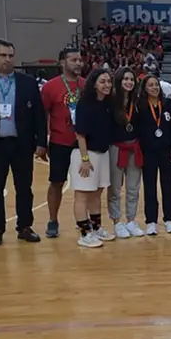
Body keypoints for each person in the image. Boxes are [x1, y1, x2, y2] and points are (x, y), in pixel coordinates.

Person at [0, 39, 47, 247]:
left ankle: (24, 226)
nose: (7, 59)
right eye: (3, 55)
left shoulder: (27, 82)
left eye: (10, 55)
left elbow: (39, 115)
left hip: (21, 143)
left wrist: (41, 141)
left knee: (24, 188)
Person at [40, 47, 85, 238]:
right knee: (57, 182)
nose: (78, 63)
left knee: (84, 184)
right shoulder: (50, 87)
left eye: (80, 60)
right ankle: (53, 220)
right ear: (62, 63)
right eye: (73, 60)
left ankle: (83, 218)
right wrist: (42, 141)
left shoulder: (87, 85)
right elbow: (43, 116)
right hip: (60, 141)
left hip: (82, 142)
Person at [71, 68, 115, 247]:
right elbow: (80, 134)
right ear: (94, 84)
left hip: (102, 153)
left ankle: (96, 228)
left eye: (108, 81)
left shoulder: (107, 104)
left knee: (97, 193)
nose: (107, 85)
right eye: (102, 81)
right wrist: (84, 159)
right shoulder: (85, 104)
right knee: (82, 195)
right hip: (86, 154)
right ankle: (84, 233)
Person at [135, 74, 171, 235]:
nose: (154, 87)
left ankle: (169, 219)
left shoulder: (166, 104)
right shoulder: (140, 105)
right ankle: (151, 221)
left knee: (167, 185)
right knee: (150, 186)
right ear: (144, 88)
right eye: (150, 85)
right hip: (148, 152)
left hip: (166, 151)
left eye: (156, 85)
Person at [108, 67, 145, 238]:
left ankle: (131, 220)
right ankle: (117, 221)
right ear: (119, 81)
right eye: (125, 79)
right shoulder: (111, 101)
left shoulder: (137, 101)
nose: (129, 82)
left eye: (131, 79)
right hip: (116, 148)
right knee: (115, 188)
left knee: (133, 187)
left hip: (134, 148)